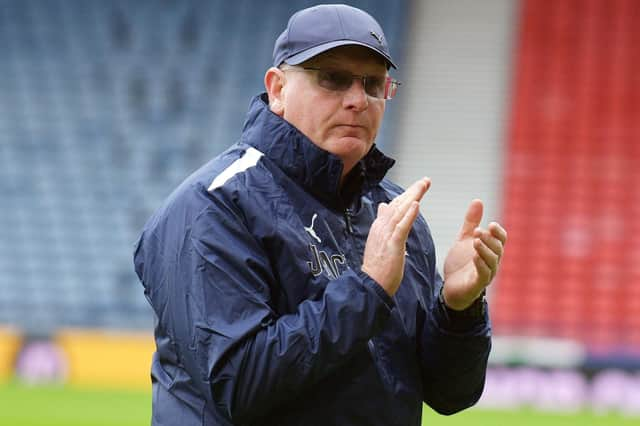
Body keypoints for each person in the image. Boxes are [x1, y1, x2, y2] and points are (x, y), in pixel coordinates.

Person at [134, 4, 507, 425]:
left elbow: (449, 394)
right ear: (277, 89)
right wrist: (368, 290)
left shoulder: (397, 216)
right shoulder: (212, 205)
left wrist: (458, 311)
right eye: (333, 79)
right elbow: (237, 384)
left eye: (373, 84)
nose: (357, 100)